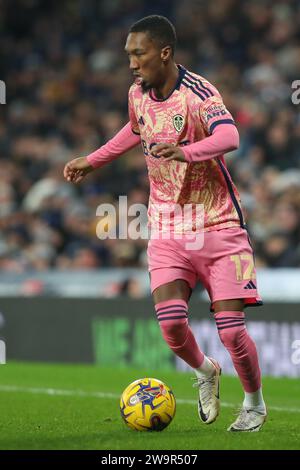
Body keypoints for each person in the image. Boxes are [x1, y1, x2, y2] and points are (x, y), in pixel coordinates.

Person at [63, 15, 267, 432]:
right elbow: (134, 130)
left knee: (231, 332)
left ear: (164, 52)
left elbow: (230, 137)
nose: (132, 63)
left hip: (220, 225)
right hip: (169, 227)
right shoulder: (137, 94)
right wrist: (94, 159)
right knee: (172, 324)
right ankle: (205, 371)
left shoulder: (199, 92)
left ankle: (254, 404)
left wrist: (185, 152)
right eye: (128, 55)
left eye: (139, 53)